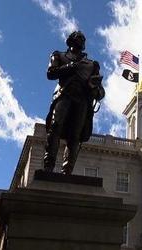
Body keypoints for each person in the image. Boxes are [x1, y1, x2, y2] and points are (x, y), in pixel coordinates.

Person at [43, 31, 104, 175]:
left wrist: (94, 90)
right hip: (64, 95)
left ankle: (67, 170)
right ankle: (48, 167)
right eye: (78, 38)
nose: (81, 40)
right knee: (55, 127)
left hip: (82, 100)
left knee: (75, 135)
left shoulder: (92, 64)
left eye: (83, 39)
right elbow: (51, 73)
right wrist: (71, 67)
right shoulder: (59, 55)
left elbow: (100, 91)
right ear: (70, 41)